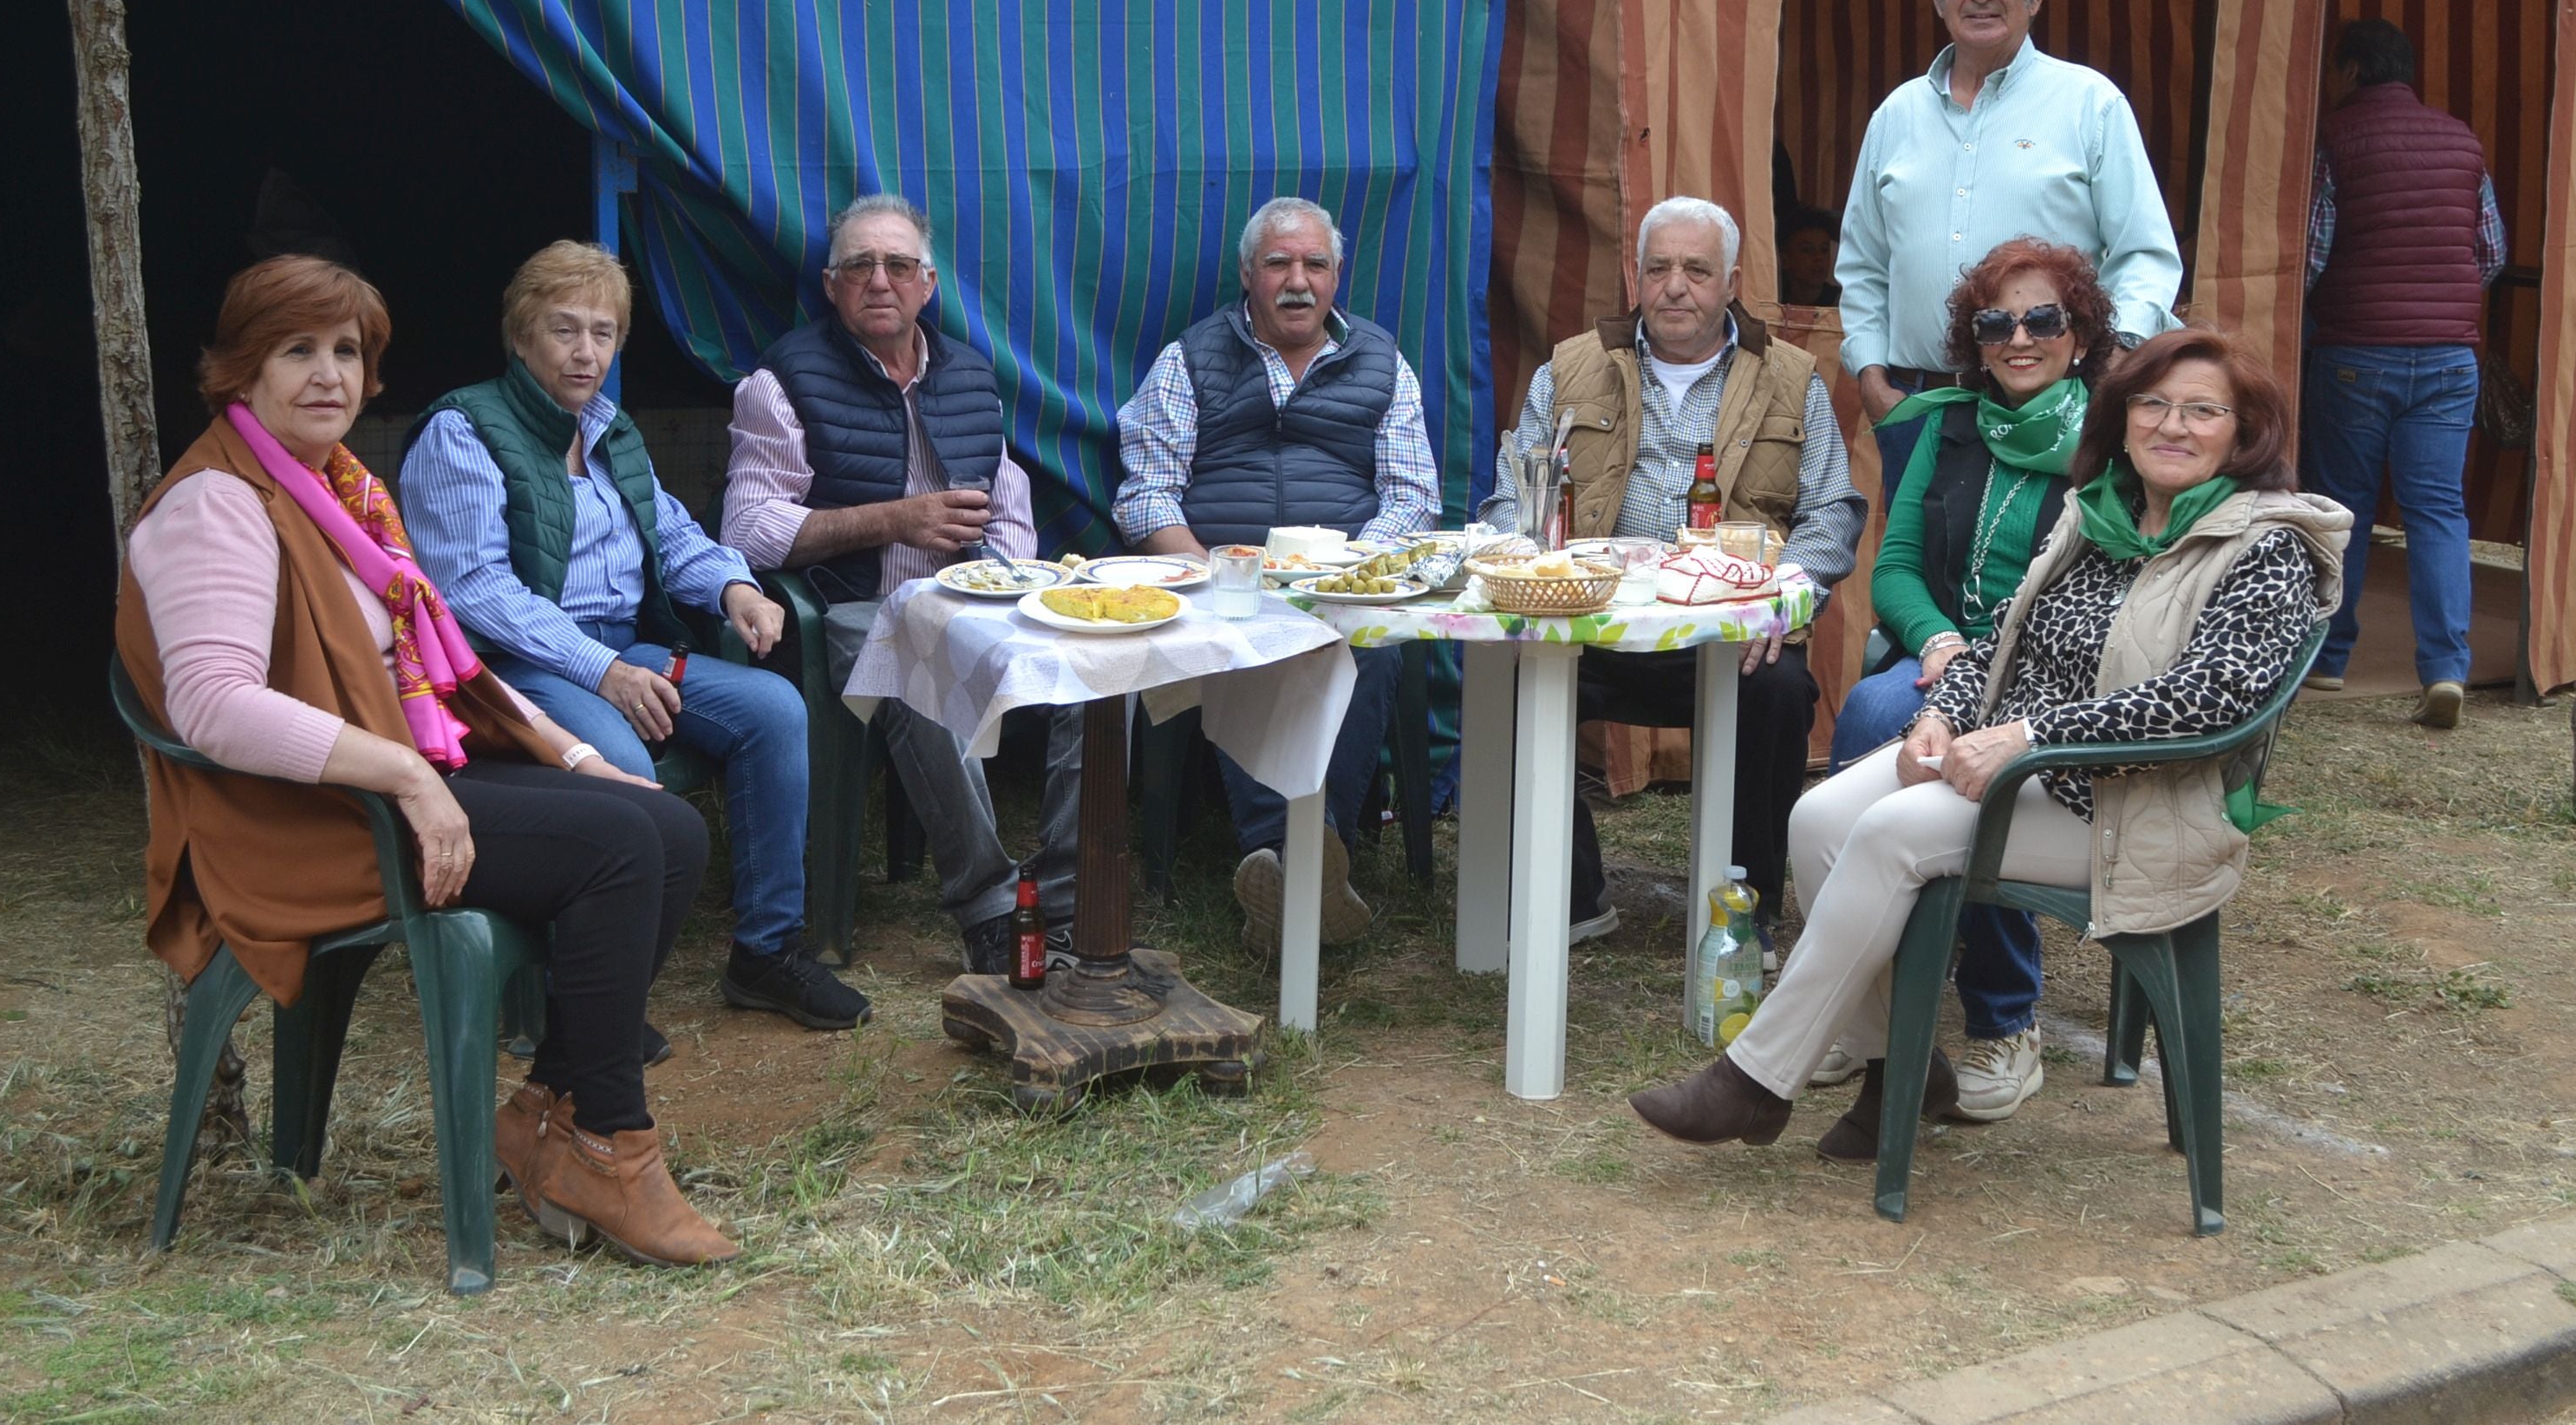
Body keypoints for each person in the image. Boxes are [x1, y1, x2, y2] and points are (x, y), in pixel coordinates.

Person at [120, 257, 734, 1265]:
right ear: (239, 370)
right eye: (297, 351)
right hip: (303, 822)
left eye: (348, 354)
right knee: (623, 850)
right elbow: (215, 706)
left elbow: (444, 671)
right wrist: (410, 781)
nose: (329, 375)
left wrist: (579, 757)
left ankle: (551, 1114)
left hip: (379, 787)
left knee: (663, 824)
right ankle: (610, 1142)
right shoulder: (216, 507)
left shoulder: (340, 493)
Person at [1628, 327, 2345, 1165]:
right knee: (1821, 816)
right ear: (2122, 418)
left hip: (2140, 805)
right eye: (2152, 404)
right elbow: (2005, 645)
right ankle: (1899, 1070)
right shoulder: (2100, 516)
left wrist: (2031, 738)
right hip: (2027, 775)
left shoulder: (2267, 546)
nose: (2171, 426)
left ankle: (1755, 1080)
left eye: (2203, 411)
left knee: (1892, 834)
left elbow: (2205, 703)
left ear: (2244, 430)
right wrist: (1939, 719)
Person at [396, 242, 864, 1032]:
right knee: (620, 760)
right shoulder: (461, 430)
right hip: (514, 667)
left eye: (603, 334)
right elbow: (473, 591)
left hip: (619, 647)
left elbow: (670, 533)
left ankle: (766, 951)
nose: (587, 353)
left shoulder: (608, 427)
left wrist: (734, 585)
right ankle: (586, 994)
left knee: (776, 709)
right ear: (520, 336)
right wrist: (603, 668)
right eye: (564, 330)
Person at [1481, 195, 1868, 941]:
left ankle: (1745, 915)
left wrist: (1783, 599)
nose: (1675, 287)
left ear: (1731, 281)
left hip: (1731, 637)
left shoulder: (1790, 377)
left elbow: (1832, 513)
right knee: (1509, 674)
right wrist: (1541, 578)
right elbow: (1510, 500)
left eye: (1696, 269)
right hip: (1593, 625)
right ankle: (1572, 896)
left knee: (1783, 692)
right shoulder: (1569, 369)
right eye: (1658, 268)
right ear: (1637, 276)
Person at [720, 194, 1085, 975]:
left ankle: (1060, 898)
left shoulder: (970, 376)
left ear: (926, 284)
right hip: (852, 605)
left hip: (976, 599)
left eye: (897, 266)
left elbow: (1007, 499)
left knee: (1096, 669)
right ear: (831, 284)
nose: (878, 281)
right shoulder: (780, 381)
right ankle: (989, 908)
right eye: (859, 266)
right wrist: (894, 519)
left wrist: (1014, 581)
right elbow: (747, 529)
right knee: (915, 652)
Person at [1820, 237, 2116, 1122]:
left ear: (2081, 334)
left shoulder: (2115, 440)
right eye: (1996, 321)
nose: (2018, 337)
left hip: (2052, 676)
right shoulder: (1941, 421)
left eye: (2042, 319)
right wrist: (1940, 640)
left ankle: (2004, 1018)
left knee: (1975, 775)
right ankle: (1860, 998)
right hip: (1943, 653)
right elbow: (1897, 567)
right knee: (1873, 710)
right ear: (1974, 338)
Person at [1113, 195, 1441, 952]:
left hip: (1347, 582)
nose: (1298, 281)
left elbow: (1412, 494)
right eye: (1279, 264)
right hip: (1223, 581)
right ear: (1247, 275)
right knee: (1246, 633)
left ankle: (1290, 868)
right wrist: (1204, 570)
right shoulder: (1187, 360)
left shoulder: (1382, 361)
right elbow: (1147, 491)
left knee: (1365, 642)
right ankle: (1309, 866)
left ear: (1337, 276)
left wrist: (1352, 570)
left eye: (1314, 265)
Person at [1835, 0, 2182, 496]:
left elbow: (2145, 255)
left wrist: (2114, 362)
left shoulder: (2090, 105)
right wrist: (1871, 378)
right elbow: (1864, 266)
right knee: (1916, 576)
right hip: (1919, 405)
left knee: (2046, 578)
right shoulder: (1896, 115)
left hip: (2049, 407)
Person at [2302, 17, 2508, 730]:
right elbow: (2491, 255)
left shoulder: (2335, 139)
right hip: (2450, 357)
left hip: (2358, 352)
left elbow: (2313, 255)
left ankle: (2327, 660)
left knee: (2343, 508)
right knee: (2439, 512)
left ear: (2353, 70)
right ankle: (2446, 667)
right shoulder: (2463, 141)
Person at [1777, 207, 1842, 309]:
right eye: (1807, 250)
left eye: (1824, 250)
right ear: (1785, 260)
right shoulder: (1775, 298)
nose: (1819, 257)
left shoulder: (1840, 303)